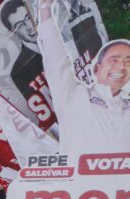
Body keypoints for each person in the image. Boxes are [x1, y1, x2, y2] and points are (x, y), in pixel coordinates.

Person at [39, 0, 130, 156]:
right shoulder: (74, 96)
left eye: (128, 62)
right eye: (114, 60)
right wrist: (45, 10)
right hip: (81, 179)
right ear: (97, 67)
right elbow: (55, 59)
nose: (121, 67)